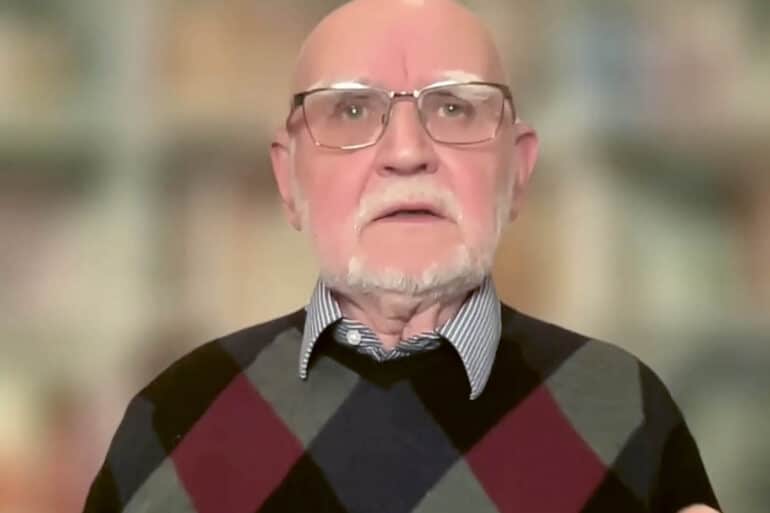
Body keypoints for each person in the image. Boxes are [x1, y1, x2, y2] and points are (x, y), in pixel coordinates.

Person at [83, 1, 723, 512]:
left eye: (456, 108)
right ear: (288, 179)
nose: (407, 152)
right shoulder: (177, 414)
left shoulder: (623, 405)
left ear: (519, 171)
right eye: (351, 109)